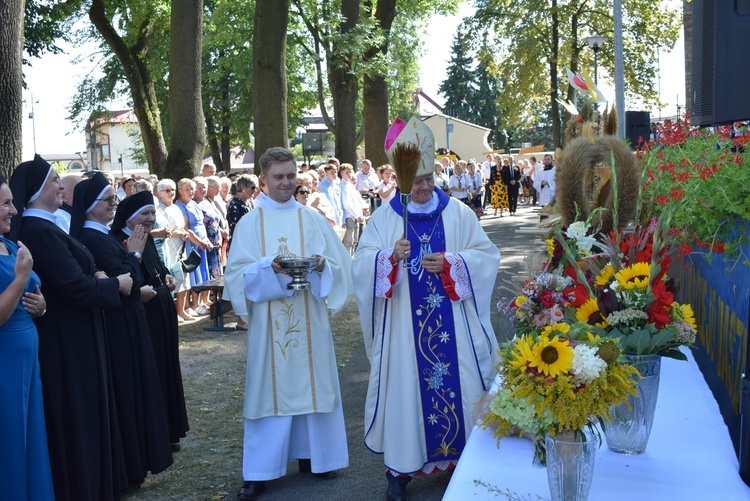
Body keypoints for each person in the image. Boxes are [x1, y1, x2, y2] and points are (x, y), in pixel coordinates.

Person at [352, 131, 500, 501]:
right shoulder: (386, 218)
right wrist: (389, 257)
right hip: (404, 328)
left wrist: (454, 262)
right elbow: (361, 263)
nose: (423, 186)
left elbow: (486, 255)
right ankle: (400, 471)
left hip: (454, 326)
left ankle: (460, 463)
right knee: (406, 392)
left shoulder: (458, 212)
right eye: (416, 181)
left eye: (428, 179)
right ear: (403, 181)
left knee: (463, 387)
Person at [224, 147, 353, 501]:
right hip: (269, 324)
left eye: (291, 176)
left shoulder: (311, 219)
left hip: (309, 316)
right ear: (263, 180)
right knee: (269, 390)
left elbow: (340, 264)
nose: (286, 183)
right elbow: (236, 273)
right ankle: (260, 471)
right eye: (278, 177)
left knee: (314, 384)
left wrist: (323, 266)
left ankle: (318, 458)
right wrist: (269, 268)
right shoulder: (250, 223)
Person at [9, 154, 132, 501]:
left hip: (76, 331)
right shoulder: (39, 231)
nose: (62, 186)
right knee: (78, 413)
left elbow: (77, 273)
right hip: (67, 338)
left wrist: (95, 275)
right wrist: (113, 284)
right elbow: (73, 285)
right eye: (54, 181)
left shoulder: (47, 227)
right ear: (35, 191)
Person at [70, 174, 173, 490]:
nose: (115, 203)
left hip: (129, 321)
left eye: (115, 199)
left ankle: (138, 461)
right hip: (119, 326)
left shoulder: (102, 236)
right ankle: (132, 466)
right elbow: (126, 282)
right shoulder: (94, 239)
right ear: (90, 206)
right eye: (108, 200)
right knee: (128, 393)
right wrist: (134, 255)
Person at [111, 191, 190, 454]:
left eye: (153, 213)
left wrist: (166, 277)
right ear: (129, 217)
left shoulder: (144, 238)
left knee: (166, 366)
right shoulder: (119, 240)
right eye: (144, 214)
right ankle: (158, 434)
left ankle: (169, 428)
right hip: (144, 314)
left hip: (161, 309)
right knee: (154, 370)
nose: (150, 218)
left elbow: (158, 266)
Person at [0, 176, 55, 500]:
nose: (14, 210)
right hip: (4, 365)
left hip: (26, 362)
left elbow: (29, 294)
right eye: (5, 204)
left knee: (30, 437)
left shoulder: (9, 245)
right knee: (9, 439)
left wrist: (42, 307)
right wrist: (21, 278)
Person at [175, 178, 212, 317]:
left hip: (201, 242)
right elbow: (186, 228)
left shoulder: (194, 204)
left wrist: (205, 239)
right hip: (192, 244)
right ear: (180, 191)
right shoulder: (180, 206)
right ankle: (192, 304)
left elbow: (201, 224)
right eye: (187, 189)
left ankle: (201, 302)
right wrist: (199, 242)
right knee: (193, 273)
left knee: (202, 272)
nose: (191, 192)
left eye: (192, 189)